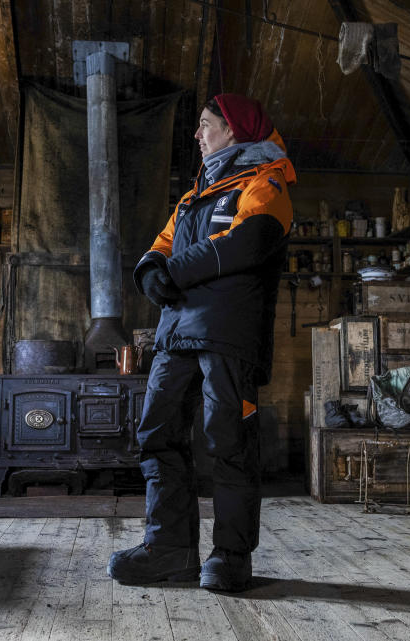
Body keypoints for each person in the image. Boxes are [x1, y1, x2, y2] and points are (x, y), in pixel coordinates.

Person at [107, 94, 296, 592]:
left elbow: (250, 241)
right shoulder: (197, 193)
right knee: (157, 435)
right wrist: (149, 270)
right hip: (176, 334)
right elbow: (161, 244)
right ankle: (168, 550)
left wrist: (174, 270)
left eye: (204, 125)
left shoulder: (266, 182)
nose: (197, 134)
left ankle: (231, 557)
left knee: (229, 442)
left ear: (232, 130)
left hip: (229, 336)